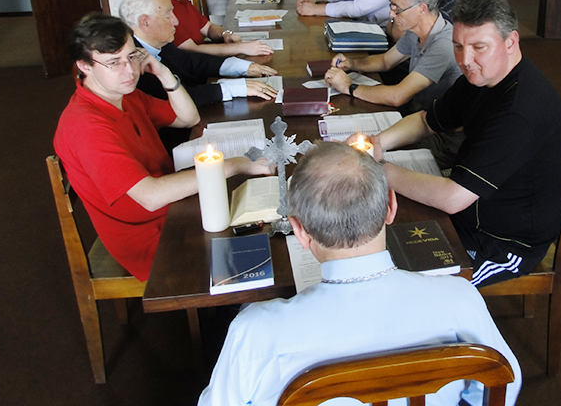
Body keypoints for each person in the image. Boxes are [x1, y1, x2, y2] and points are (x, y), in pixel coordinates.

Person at [198, 142, 522, 406]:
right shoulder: (461, 299)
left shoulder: (255, 333)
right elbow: (503, 386)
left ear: (300, 232)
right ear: (390, 207)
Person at [362, 0, 561, 289]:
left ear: (511, 42)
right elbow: (426, 120)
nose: (465, 59)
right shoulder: (481, 78)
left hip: (504, 242)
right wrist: (378, 143)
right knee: (383, 231)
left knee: (402, 283)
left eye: (479, 47)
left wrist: (379, 171)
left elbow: (452, 198)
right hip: (472, 208)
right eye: (458, 46)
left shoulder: (520, 112)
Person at [53, 14, 273, 281]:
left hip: (174, 206)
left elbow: (187, 118)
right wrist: (233, 164)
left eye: (132, 56)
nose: (130, 71)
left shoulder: (124, 94)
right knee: (265, 243)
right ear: (85, 66)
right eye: (114, 63)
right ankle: (226, 310)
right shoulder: (87, 127)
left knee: (265, 213)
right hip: (151, 234)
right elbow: (150, 197)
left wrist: (164, 73)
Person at [118, 0, 278, 108]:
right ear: (145, 22)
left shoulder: (158, 42)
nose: (176, 21)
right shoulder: (132, 61)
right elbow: (176, 97)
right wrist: (234, 87)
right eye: (168, 16)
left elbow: (190, 61)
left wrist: (240, 66)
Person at [324, 0, 462, 113]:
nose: (391, 14)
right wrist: (352, 64)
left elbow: (398, 96)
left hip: (437, 127)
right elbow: (385, 61)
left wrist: (348, 86)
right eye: (391, 6)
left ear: (422, 9)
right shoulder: (414, 30)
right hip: (419, 112)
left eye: (397, 9)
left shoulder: (443, 45)